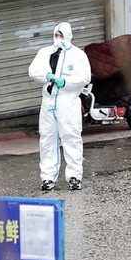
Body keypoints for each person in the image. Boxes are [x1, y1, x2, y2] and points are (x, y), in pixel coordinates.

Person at [28, 22, 91, 191]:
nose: (58, 38)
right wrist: (47, 76)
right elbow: (33, 70)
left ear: (69, 36)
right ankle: (48, 178)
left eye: (61, 35)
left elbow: (85, 77)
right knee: (47, 140)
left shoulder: (78, 55)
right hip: (48, 103)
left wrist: (66, 82)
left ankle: (75, 177)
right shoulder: (45, 53)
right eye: (56, 35)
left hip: (68, 103)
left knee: (71, 139)